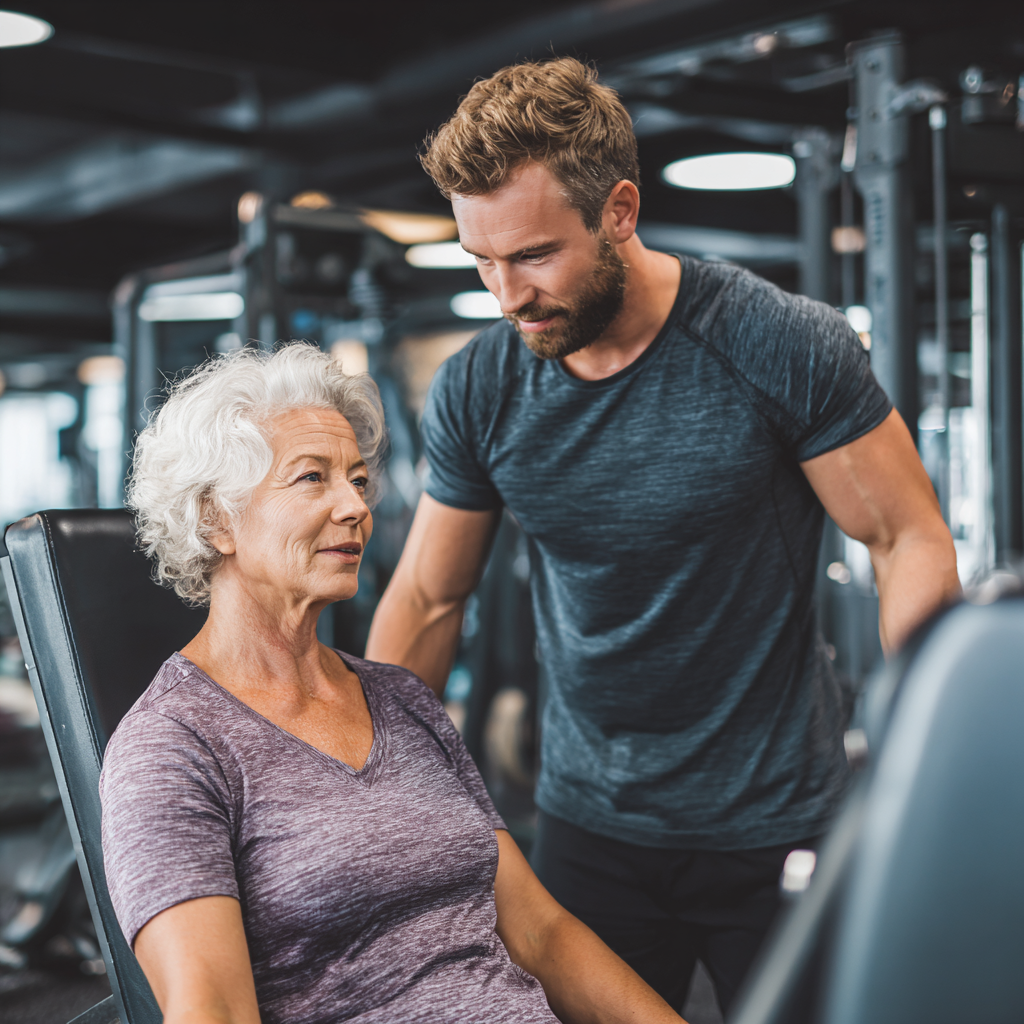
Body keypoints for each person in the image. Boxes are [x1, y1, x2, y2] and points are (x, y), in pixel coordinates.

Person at [365, 57, 961, 1014]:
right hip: (587, 824)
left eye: (533, 255)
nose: (506, 294)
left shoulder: (777, 343)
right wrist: (368, 785)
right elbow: (432, 597)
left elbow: (906, 539)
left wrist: (924, 758)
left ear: (621, 210)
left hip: (772, 822)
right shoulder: (483, 385)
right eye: (482, 260)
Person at [99, 344, 683, 1024]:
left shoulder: (403, 699)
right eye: (313, 478)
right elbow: (214, 1011)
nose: (355, 506)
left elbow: (538, 933)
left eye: (356, 479)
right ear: (216, 520)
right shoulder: (170, 749)